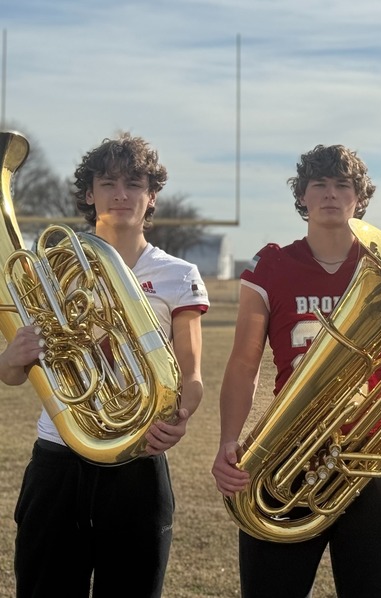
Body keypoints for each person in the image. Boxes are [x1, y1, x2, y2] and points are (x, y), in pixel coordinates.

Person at [210, 143, 381, 598]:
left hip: (369, 448)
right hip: (288, 444)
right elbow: (243, 362)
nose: (331, 194)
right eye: (320, 184)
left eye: (342, 185)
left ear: (359, 198)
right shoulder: (270, 264)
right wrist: (229, 440)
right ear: (303, 197)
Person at [0, 133, 209, 597]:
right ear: (88, 193)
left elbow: (192, 376)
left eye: (134, 183)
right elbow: (15, 373)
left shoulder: (178, 275)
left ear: (151, 195)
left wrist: (180, 417)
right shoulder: (49, 268)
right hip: (59, 455)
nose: (120, 193)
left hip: (138, 458)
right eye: (108, 182)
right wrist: (10, 358)